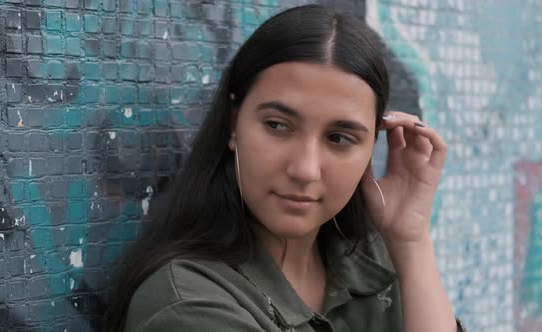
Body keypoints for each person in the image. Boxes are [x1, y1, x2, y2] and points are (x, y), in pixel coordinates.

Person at [104, 5, 466, 331]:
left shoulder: (374, 263)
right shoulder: (189, 306)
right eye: (278, 125)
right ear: (234, 124)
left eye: (339, 138)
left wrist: (411, 239)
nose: (305, 169)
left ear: (372, 149)